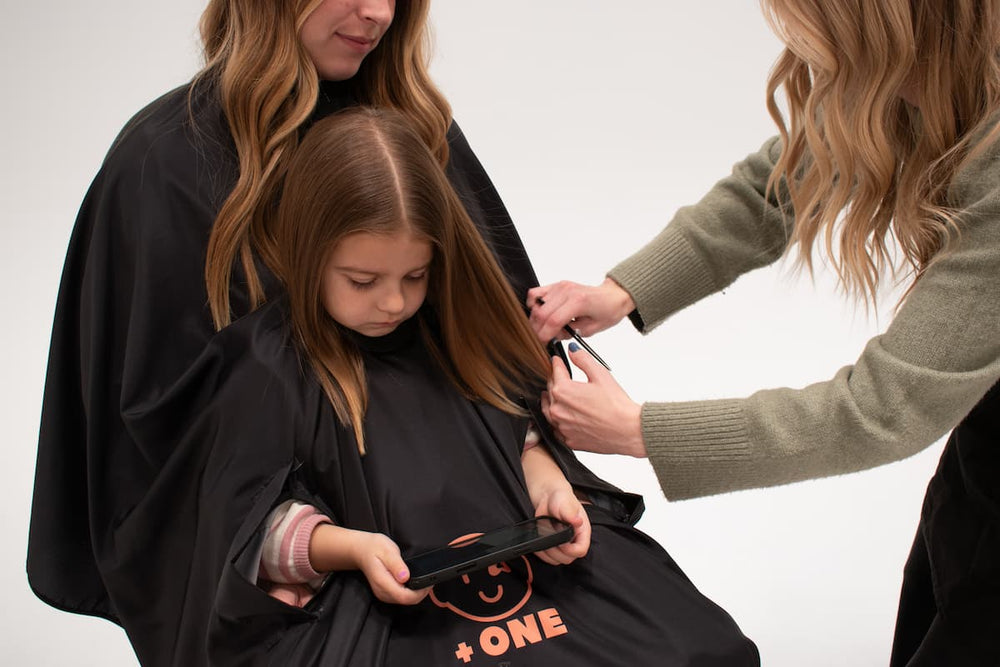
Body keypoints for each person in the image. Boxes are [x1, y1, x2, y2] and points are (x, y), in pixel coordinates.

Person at [28, 0, 575, 662]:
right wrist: (299, 548)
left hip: (479, 556)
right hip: (307, 594)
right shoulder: (164, 166)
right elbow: (168, 463)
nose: (377, 12)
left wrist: (536, 463)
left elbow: (491, 355)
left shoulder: (417, 133)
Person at [145, 105, 759, 664]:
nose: (393, 302)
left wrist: (550, 489)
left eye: (415, 275)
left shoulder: (459, 331)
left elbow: (518, 442)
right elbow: (251, 528)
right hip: (379, 604)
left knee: (703, 649)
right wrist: (350, 549)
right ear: (307, 254)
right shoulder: (265, 364)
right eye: (363, 281)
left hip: (523, 567)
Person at [527, 1, 1000, 665]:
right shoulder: (921, 72)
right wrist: (622, 292)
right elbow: (776, 185)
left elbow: (882, 409)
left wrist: (639, 431)